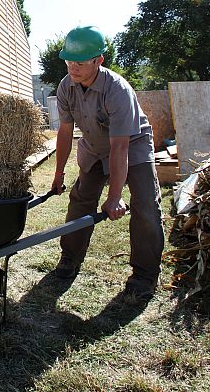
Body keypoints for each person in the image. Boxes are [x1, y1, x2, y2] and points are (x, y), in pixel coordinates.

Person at [50, 25, 164, 302]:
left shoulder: (117, 90)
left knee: (146, 205)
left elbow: (120, 146)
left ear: (98, 60)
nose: (72, 68)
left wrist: (115, 197)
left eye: (79, 62)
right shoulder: (66, 86)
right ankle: (70, 258)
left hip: (131, 145)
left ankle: (144, 275)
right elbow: (65, 132)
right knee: (80, 200)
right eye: (68, 61)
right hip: (93, 145)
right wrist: (59, 172)